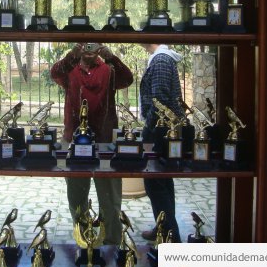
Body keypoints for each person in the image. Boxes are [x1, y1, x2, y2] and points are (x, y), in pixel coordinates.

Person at [51, 42, 134, 245]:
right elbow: (54, 74)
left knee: (110, 195)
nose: (88, 49)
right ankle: (83, 238)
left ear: (100, 47)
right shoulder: (69, 69)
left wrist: (111, 57)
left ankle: (112, 241)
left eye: (92, 45)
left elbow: (127, 79)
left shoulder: (109, 70)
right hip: (74, 141)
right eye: (84, 45)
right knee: (76, 194)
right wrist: (71, 55)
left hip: (104, 141)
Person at [139, 43, 183, 242]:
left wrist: (148, 130)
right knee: (161, 181)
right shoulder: (160, 59)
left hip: (160, 132)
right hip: (162, 131)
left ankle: (170, 237)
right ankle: (163, 227)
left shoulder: (161, 60)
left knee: (155, 183)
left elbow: (160, 101)